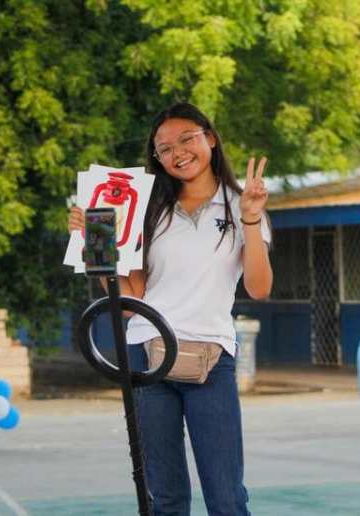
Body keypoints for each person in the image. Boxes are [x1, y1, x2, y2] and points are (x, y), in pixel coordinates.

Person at [69, 102, 273, 515]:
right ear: (157, 158)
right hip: (147, 358)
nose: (178, 152)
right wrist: (96, 242)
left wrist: (251, 220)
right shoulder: (146, 210)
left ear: (209, 138)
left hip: (211, 360)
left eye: (186, 139)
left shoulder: (242, 205)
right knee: (166, 499)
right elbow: (130, 300)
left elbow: (259, 287)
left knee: (227, 498)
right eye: (164, 148)